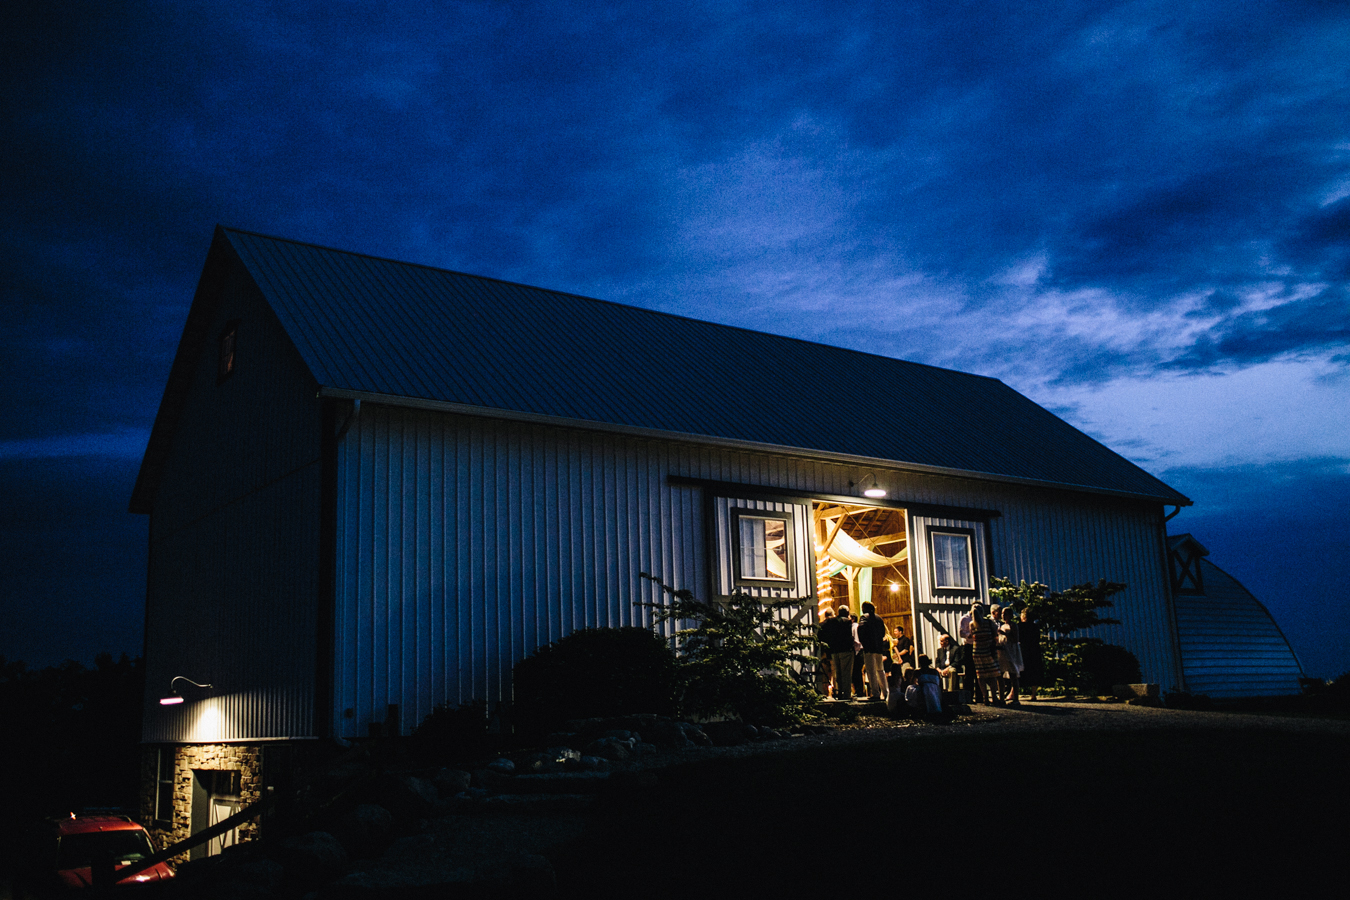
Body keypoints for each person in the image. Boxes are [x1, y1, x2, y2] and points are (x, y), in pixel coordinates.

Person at [818, 604, 856, 700]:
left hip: (834, 650)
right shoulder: (847, 622)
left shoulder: (831, 621)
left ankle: (839, 692)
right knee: (846, 672)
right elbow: (849, 636)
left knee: (838, 673)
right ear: (847, 613)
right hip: (845, 650)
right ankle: (847, 694)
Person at [968, 604, 1002, 706]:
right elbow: (995, 634)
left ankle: (985, 697)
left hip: (977, 652)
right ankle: (994, 697)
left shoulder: (971, 624)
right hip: (988, 650)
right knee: (992, 674)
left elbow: (972, 636)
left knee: (981, 675)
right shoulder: (989, 622)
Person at [857, 601, 889, 700]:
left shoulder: (864, 618)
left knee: (871, 671)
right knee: (880, 670)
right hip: (878, 648)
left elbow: (861, 631)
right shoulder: (879, 618)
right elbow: (883, 633)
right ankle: (885, 692)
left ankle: (875, 693)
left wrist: (864, 642)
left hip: (869, 648)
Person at [997, 606, 1023, 706]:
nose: (1003, 616)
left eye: (1005, 614)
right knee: (1000, 674)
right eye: (1002, 614)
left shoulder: (1013, 625)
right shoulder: (1002, 625)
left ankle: (1016, 698)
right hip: (1002, 651)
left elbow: (1015, 639)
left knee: (1013, 674)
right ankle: (1001, 698)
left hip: (1011, 650)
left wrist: (1004, 634)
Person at [1019, 608, 1042, 701]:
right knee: (1034, 671)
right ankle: (1033, 694)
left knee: (1020, 671)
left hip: (1024, 650)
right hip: (1035, 650)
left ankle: (1014, 692)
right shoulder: (1035, 627)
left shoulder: (1020, 626)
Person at [935, 633, 963, 707]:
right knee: (935, 673)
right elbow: (937, 662)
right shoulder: (939, 650)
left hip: (951, 667)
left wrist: (947, 668)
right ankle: (939, 695)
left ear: (947, 641)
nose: (940, 643)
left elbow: (956, 662)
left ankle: (951, 693)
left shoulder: (955, 649)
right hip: (942, 668)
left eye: (942, 641)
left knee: (952, 671)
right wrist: (938, 669)